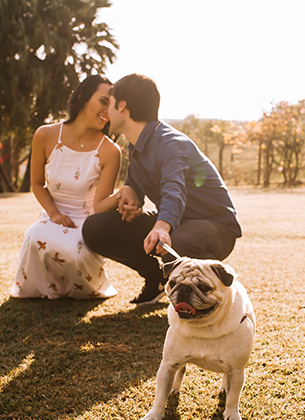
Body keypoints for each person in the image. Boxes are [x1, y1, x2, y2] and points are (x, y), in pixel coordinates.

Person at [82, 73, 242, 304]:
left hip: (214, 226)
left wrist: (162, 226)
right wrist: (129, 190)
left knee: (181, 242)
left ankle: (222, 294)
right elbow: (136, 183)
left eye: (110, 102)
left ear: (123, 105)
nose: (107, 111)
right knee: (96, 228)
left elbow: (174, 189)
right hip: (177, 224)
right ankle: (157, 278)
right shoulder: (135, 145)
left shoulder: (170, 143)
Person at [10, 74, 123, 299]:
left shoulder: (110, 151)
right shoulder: (45, 135)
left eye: (112, 106)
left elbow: (101, 205)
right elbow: (36, 183)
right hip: (52, 216)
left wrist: (126, 194)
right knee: (33, 236)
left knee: (75, 251)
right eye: (103, 101)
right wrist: (54, 214)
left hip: (87, 223)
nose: (107, 111)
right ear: (82, 96)